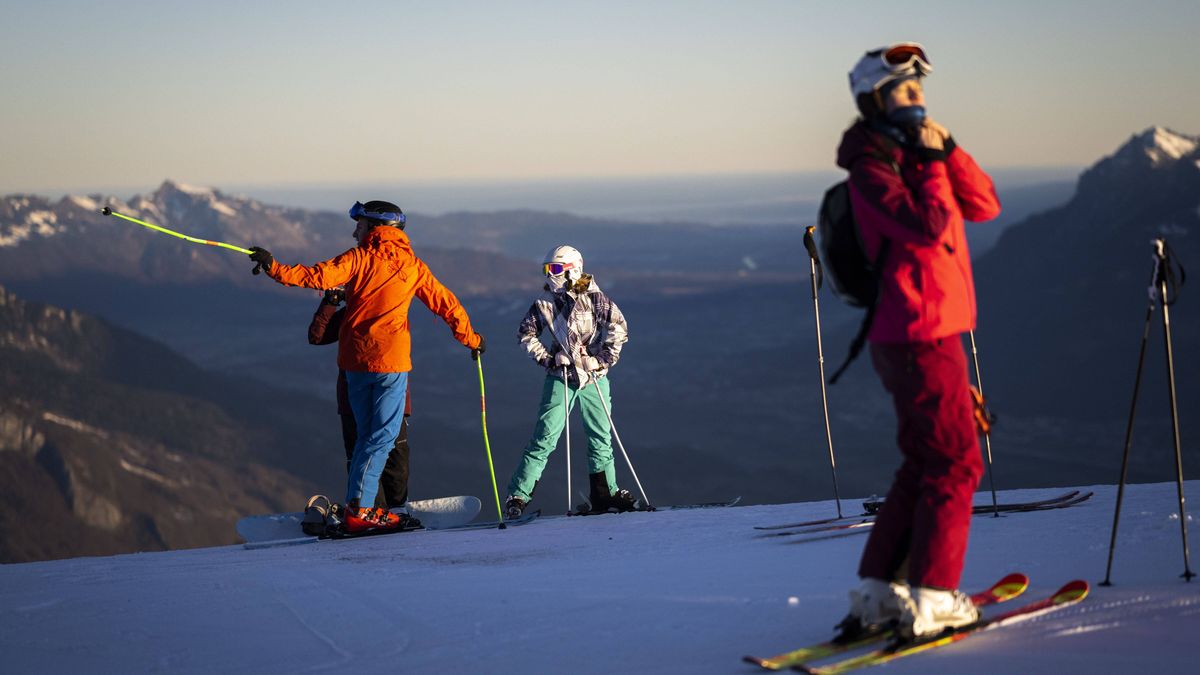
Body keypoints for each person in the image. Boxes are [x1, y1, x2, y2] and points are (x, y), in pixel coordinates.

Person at [834, 43, 1001, 640]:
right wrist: (931, 163)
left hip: (927, 330)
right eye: (904, 89)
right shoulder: (871, 167)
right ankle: (933, 597)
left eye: (920, 88)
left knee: (925, 461)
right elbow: (927, 227)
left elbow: (984, 204)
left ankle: (879, 593)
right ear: (874, 100)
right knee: (957, 462)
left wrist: (947, 151)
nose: (918, 98)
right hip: (916, 334)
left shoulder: (916, 154)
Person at [248, 200, 485, 534]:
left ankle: (359, 505)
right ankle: (361, 510)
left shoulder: (357, 259)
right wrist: (472, 340)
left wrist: (274, 267)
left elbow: (316, 276)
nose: (354, 232)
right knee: (383, 437)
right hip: (390, 364)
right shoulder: (411, 265)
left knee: (365, 438)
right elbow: (446, 304)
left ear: (375, 227)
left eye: (358, 226)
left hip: (354, 364)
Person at [504, 245, 634, 518]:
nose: (549, 274)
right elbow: (526, 334)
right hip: (561, 376)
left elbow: (619, 328)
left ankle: (604, 493)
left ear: (572, 269)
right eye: (546, 269)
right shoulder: (545, 303)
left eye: (554, 268)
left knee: (600, 437)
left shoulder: (596, 299)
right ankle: (518, 496)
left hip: (593, 377)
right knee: (545, 437)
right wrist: (550, 359)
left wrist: (601, 360)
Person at [309, 287, 412, 509]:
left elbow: (316, 336)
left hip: (371, 400)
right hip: (360, 402)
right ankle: (372, 511)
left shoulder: (391, 311)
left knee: (393, 462)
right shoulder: (353, 314)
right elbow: (317, 336)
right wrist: (330, 302)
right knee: (378, 458)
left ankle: (394, 510)